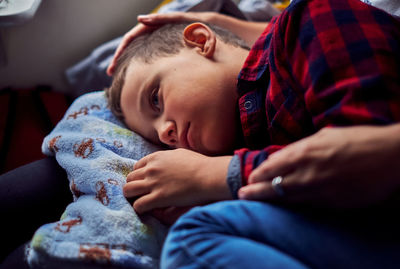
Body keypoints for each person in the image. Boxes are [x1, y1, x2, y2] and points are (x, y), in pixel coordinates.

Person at [104, 0, 400, 267]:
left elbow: (367, 152)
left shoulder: (309, 20)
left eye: (156, 99)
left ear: (200, 41)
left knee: (192, 237)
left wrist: (216, 175)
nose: (165, 132)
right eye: (156, 138)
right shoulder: (250, 132)